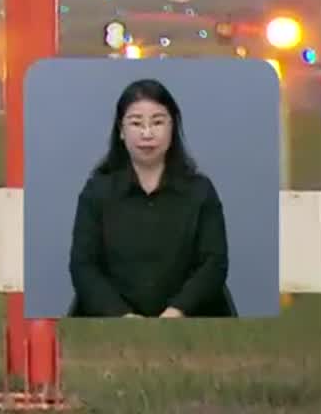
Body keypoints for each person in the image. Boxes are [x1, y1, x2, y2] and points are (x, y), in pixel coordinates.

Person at [67, 77, 235, 318]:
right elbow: (83, 266)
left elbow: (214, 263)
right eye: (136, 123)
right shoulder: (97, 191)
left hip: (191, 319)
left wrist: (176, 311)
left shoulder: (200, 191)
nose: (147, 134)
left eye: (157, 122)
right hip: (111, 323)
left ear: (172, 128)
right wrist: (122, 316)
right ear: (121, 131)